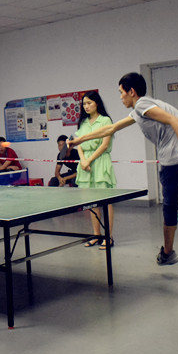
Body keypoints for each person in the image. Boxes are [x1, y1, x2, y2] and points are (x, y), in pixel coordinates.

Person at [70, 73, 178, 294]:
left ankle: (168, 253)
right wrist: (80, 140)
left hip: (176, 164)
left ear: (132, 92)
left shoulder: (142, 105)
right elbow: (111, 129)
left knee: (170, 211)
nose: (120, 97)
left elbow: (176, 122)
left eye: (121, 92)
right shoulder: (144, 109)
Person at [74, 91, 116, 248]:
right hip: (85, 164)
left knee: (105, 201)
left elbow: (104, 145)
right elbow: (78, 143)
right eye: (84, 104)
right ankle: (96, 235)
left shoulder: (105, 120)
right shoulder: (83, 123)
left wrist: (89, 160)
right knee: (91, 203)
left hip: (100, 162)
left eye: (89, 103)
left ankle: (108, 237)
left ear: (97, 103)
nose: (86, 106)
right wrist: (83, 161)